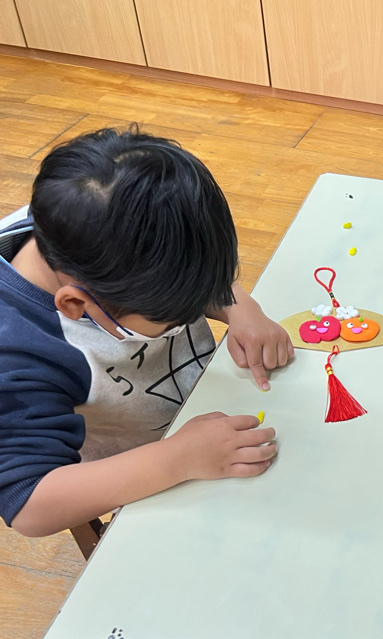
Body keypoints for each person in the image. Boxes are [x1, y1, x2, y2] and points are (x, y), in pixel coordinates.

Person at [0, 127, 294, 538]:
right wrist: (177, 459)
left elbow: (178, 266)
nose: (189, 314)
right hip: (140, 475)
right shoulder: (16, 353)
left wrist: (239, 306)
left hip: (196, 420)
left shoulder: (96, 221)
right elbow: (30, 505)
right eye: (173, 316)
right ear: (76, 305)